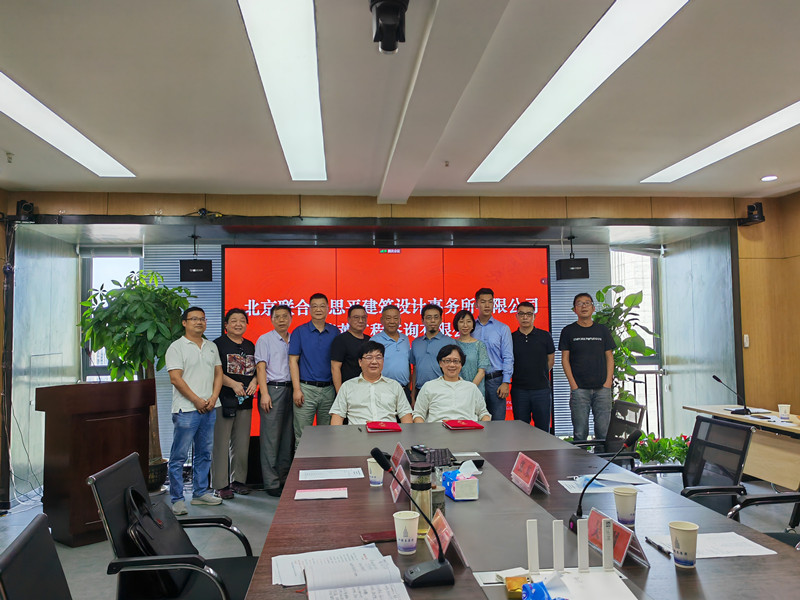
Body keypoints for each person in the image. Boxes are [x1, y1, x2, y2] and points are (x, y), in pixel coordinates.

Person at [165, 306, 223, 515]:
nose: (199, 322)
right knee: (179, 456)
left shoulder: (211, 346)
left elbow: (218, 373)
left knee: (204, 453)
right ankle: (177, 499)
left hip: (210, 407)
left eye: (202, 319)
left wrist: (213, 397)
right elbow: (175, 378)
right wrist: (197, 400)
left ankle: (200, 493)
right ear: (184, 323)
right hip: (186, 409)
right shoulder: (176, 347)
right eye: (194, 319)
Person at [211, 308, 257, 500]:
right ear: (226, 325)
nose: (238, 324)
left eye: (242, 320)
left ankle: (237, 481)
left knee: (241, 443)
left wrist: (255, 382)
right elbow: (214, 371)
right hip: (224, 399)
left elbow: (257, 369)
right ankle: (220, 485)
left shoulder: (250, 345)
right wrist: (232, 384)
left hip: (245, 400)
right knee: (221, 443)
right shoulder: (217, 345)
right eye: (234, 320)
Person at [558, 293, 616, 441]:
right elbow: (565, 359)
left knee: (603, 433)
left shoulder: (602, 330)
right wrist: (573, 385)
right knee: (580, 433)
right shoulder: (568, 331)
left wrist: (608, 383)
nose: (583, 306)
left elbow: (610, 357)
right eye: (579, 303)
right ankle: (581, 458)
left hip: (602, 389)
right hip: (579, 389)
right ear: (574, 309)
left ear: (593, 308)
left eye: (587, 303)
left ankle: (602, 457)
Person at [288, 293, 339, 446]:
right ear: (309, 309)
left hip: (329, 390)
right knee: (302, 437)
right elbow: (293, 361)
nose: (318, 309)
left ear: (328, 309)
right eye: (314, 306)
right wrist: (297, 389)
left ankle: (325, 462)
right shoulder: (299, 331)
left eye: (322, 306)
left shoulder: (335, 332)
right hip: (306, 389)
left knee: (327, 436)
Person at [255, 304, 294, 497]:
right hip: (273, 390)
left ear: (291, 318)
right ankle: (271, 483)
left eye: (285, 316)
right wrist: (264, 393)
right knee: (271, 439)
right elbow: (260, 367)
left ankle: (284, 479)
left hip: (292, 390)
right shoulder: (265, 339)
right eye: (277, 317)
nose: (281, 320)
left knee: (287, 438)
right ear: (271, 319)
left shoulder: (294, 339)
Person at [329, 341, 413, 425]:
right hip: (357, 432)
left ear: (383, 361)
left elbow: (405, 414)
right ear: (360, 362)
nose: (374, 362)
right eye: (369, 357)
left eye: (378, 357)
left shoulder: (394, 386)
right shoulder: (347, 386)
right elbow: (337, 415)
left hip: (388, 432)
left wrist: (405, 433)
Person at [412, 344, 491, 423]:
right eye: (447, 361)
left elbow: (484, 414)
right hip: (437, 429)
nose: (452, 365)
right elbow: (418, 414)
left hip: (466, 428)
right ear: (440, 363)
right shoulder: (429, 386)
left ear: (461, 364)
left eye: (456, 361)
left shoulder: (471, 388)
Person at [511, 301, 555, 432]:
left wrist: (539, 373)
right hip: (519, 391)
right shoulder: (511, 338)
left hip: (541, 390)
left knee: (543, 430)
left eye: (529, 314)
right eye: (521, 314)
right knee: (521, 430)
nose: (525, 317)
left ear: (534, 316)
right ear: (516, 316)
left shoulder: (545, 336)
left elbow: (551, 360)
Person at [473, 287, 514, 420]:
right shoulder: (470, 327)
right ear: (476, 304)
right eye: (483, 301)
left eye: (490, 301)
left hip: (495, 380)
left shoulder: (502, 328)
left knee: (497, 422)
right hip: (475, 380)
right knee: (475, 420)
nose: (487, 305)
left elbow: (508, 357)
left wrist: (506, 382)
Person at [410, 303, 453, 402]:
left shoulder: (450, 342)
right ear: (423, 320)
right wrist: (413, 394)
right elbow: (415, 368)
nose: (432, 321)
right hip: (420, 391)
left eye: (436, 317)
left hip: (443, 391)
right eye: (429, 318)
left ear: (441, 320)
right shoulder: (416, 343)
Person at [371, 304, 412, 402]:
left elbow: (407, 364)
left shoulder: (405, 339)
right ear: (381, 320)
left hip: (403, 390)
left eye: (395, 318)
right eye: (388, 318)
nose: (392, 322)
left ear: (400, 321)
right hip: (383, 390)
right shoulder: (375, 340)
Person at [330, 304, 370, 392]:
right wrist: (340, 393)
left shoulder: (369, 340)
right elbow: (335, 368)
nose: (361, 321)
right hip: (348, 390)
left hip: (366, 389)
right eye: (356, 317)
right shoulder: (341, 340)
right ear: (348, 319)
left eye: (363, 317)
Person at [453, 309, 491, 395]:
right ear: (456, 324)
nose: (465, 325)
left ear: (473, 325)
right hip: (456, 390)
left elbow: (481, 372)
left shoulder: (479, 345)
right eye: (461, 322)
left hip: (476, 390)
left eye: (468, 321)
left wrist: (469, 389)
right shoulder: (452, 344)